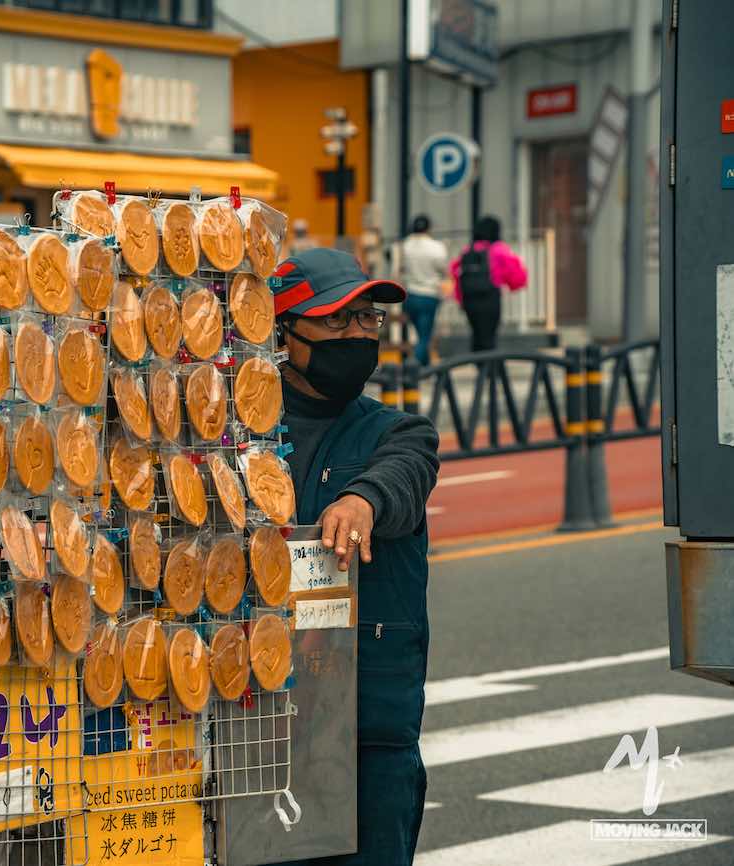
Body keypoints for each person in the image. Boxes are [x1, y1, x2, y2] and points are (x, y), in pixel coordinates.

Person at [270, 248, 440, 866]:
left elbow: (405, 476)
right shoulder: (235, 432)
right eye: (338, 322)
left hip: (370, 727)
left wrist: (363, 499)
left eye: (368, 320)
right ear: (284, 332)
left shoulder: (398, 432)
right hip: (255, 718)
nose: (358, 335)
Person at [449, 215, 528, 352]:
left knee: (477, 335)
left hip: (470, 301)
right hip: (490, 299)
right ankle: (492, 369)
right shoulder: (499, 249)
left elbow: (455, 272)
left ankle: (481, 366)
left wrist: (460, 300)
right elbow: (516, 275)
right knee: (489, 337)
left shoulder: (468, 250)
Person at [397, 215, 450, 366]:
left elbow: (400, 268)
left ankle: (425, 366)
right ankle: (414, 367)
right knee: (424, 336)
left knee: (420, 332)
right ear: (429, 228)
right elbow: (443, 269)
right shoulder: (436, 247)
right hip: (428, 295)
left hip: (410, 295)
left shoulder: (405, 245)